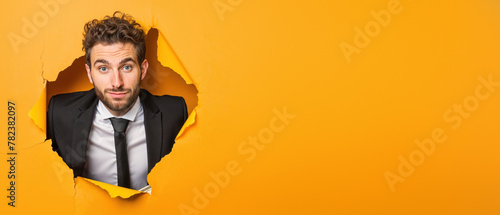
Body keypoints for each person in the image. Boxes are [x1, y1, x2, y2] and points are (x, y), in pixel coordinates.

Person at [46, 12, 187, 190]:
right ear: (90, 73)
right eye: (103, 68)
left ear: (143, 70)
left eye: (126, 67)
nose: (117, 83)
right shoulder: (60, 113)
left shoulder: (174, 113)